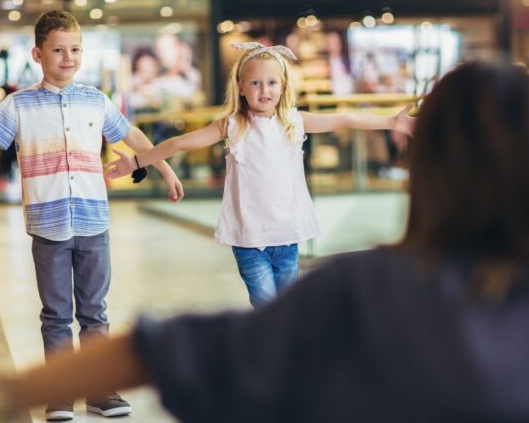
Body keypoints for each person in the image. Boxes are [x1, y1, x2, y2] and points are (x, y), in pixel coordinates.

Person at [0, 60, 529, 423]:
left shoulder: (366, 291)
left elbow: (161, 351)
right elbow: (182, 139)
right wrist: (148, 160)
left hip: (270, 241)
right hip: (239, 236)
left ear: (429, 166)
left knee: (265, 302)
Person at [0, 10, 184, 422]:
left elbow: (131, 136)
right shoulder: (19, 105)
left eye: (75, 49)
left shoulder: (96, 99)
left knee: (95, 312)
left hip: (94, 224)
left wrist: (165, 169)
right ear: (38, 54)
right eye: (58, 50)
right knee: (56, 315)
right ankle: (61, 395)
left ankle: (99, 390)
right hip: (49, 228)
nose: (68, 57)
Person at [106, 41, 415, 308]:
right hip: (250, 240)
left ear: (283, 88)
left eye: (272, 83)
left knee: (287, 310)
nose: (264, 90)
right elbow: (179, 143)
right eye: (255, 83)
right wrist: (136, 162)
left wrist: (391, 122)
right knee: (266, 305)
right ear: (241, 87)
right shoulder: (233, 126)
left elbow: (346, 118)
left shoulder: (295, 122)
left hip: (287, 237)